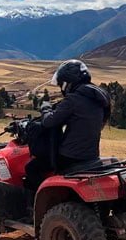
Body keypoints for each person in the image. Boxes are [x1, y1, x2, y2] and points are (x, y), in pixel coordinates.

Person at [23, 59, 111, 193]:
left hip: (70, 157)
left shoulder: (73, 100)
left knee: (31, 168)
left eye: (61, 85)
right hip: (91, 155)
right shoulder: (98, 98)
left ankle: (39, 201)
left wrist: (45, 108)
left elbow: (49, 122)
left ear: (67, 83)